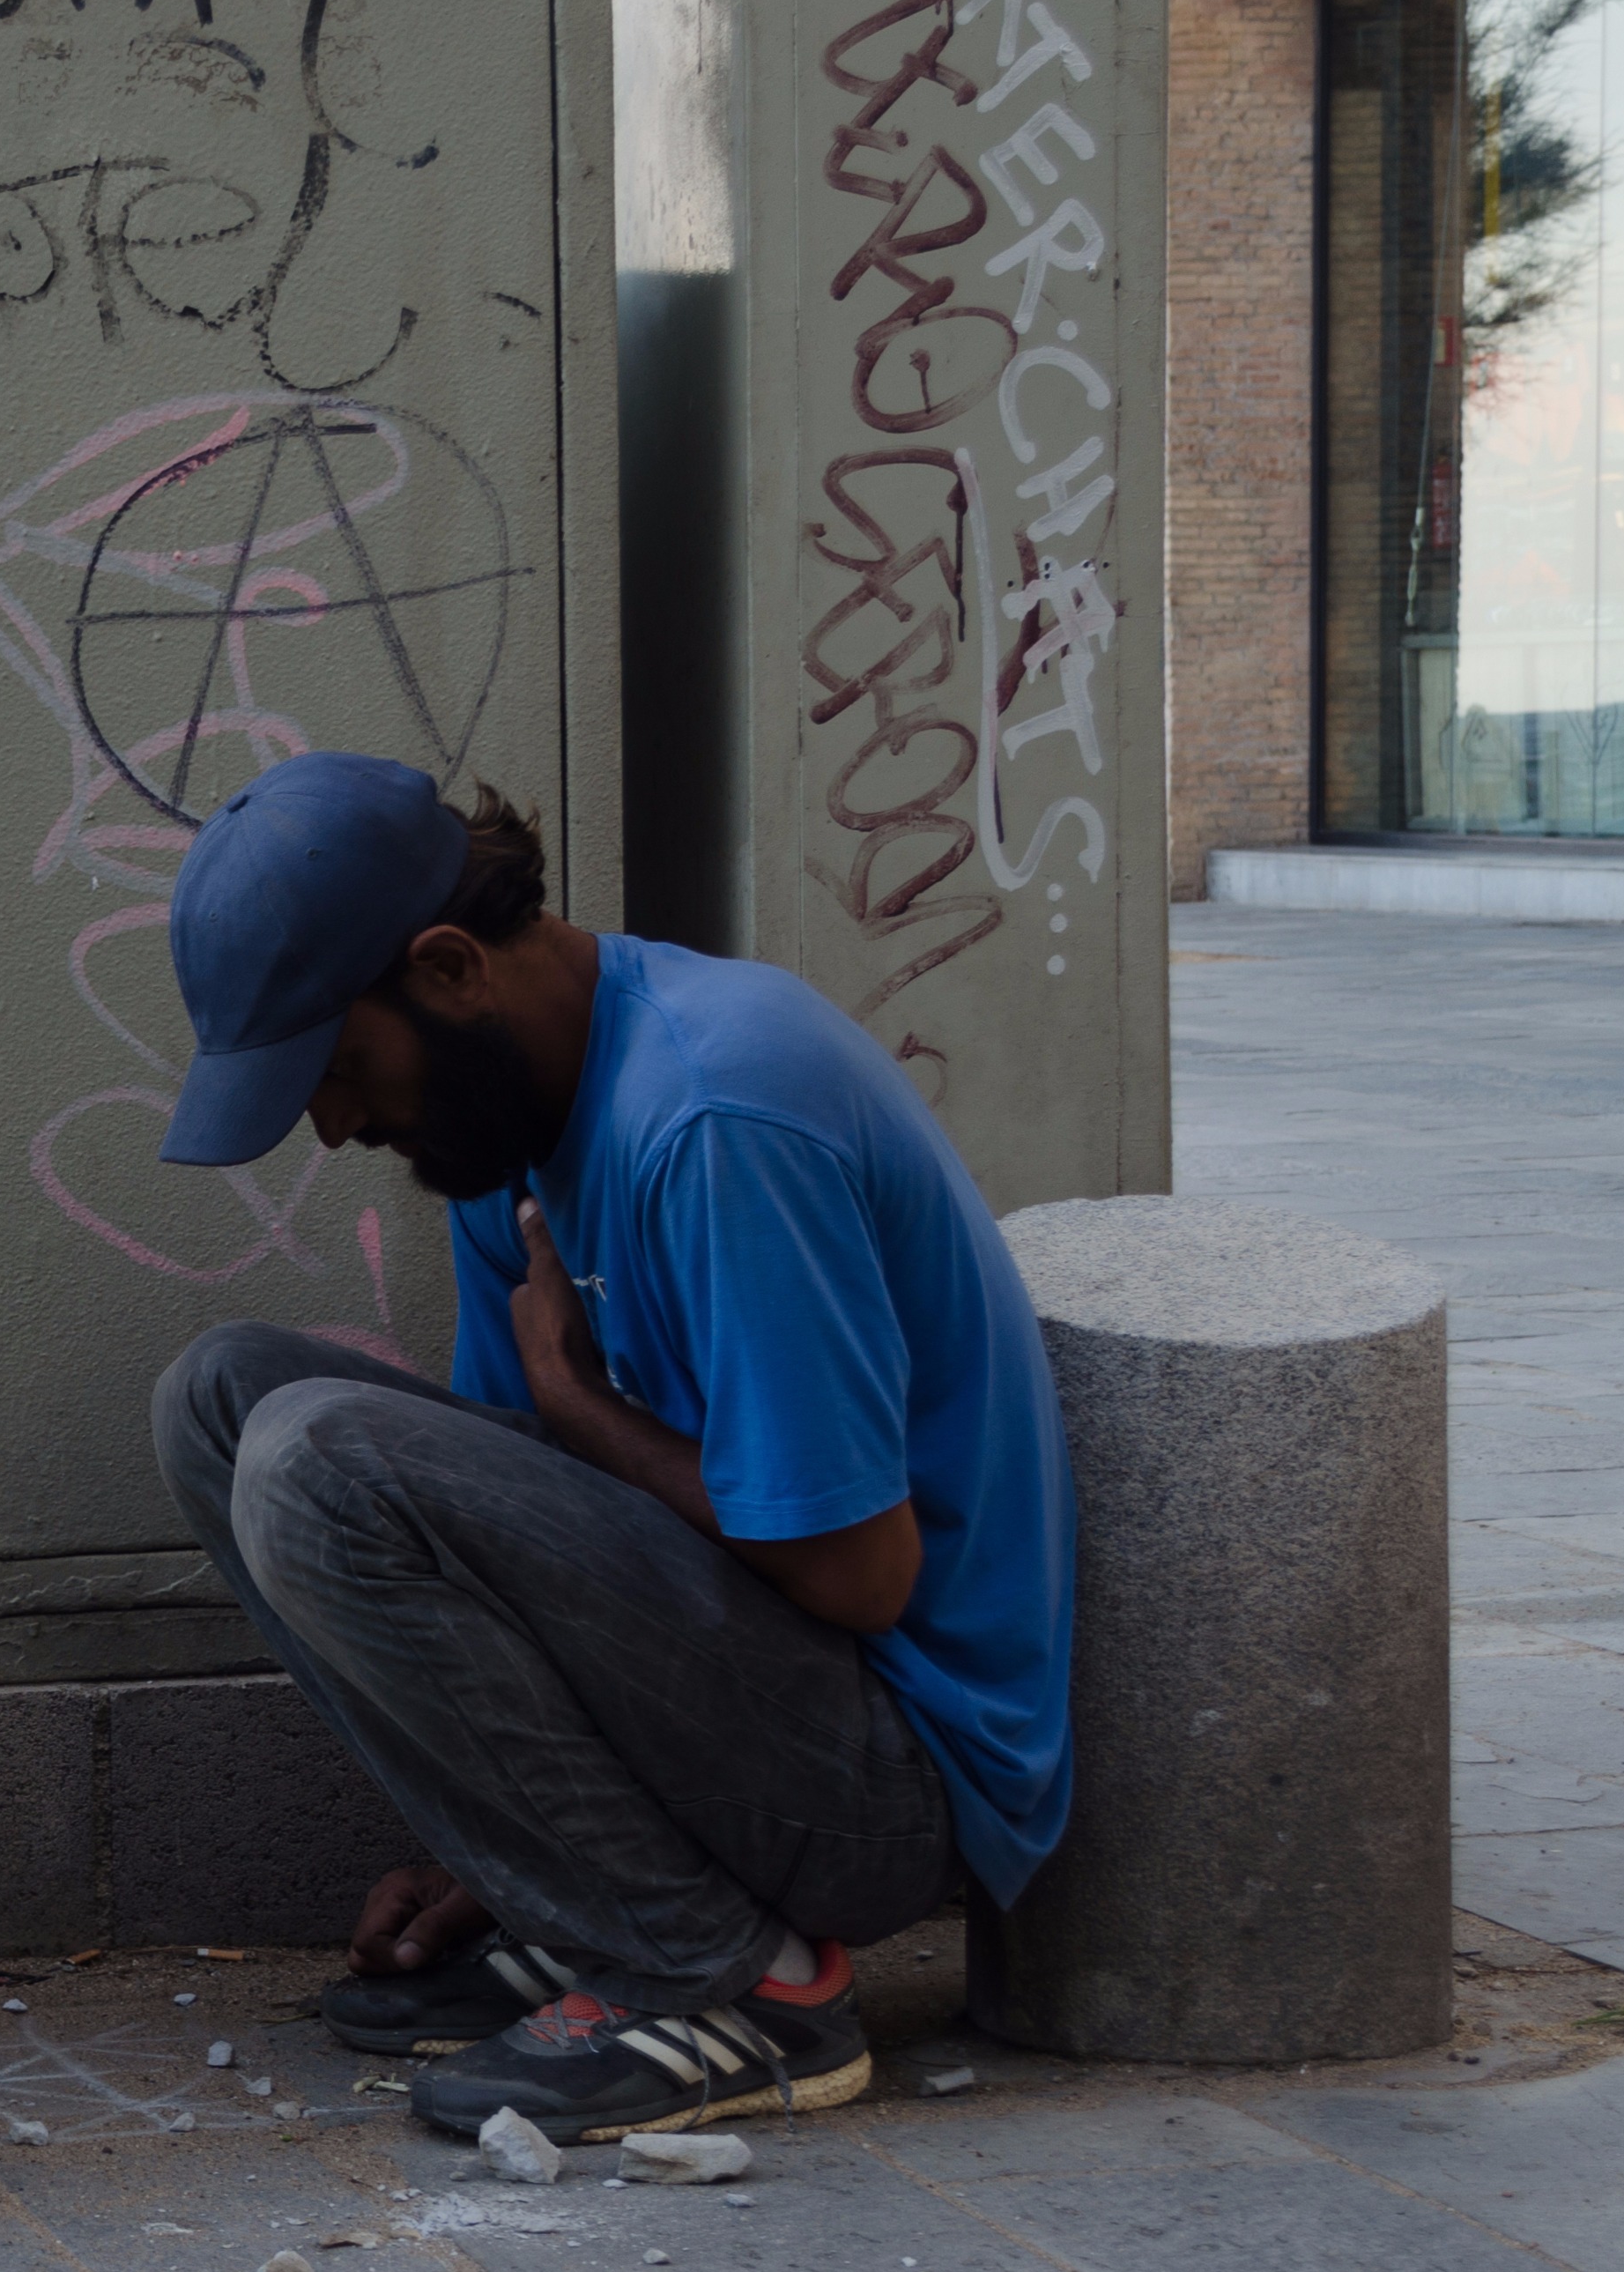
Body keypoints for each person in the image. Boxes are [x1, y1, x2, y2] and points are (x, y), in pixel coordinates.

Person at [145, 754, 1073, 2143]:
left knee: (313, 1456)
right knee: (218, 1397)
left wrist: (582, 1410)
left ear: (448, 967)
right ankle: (598, 1916)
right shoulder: (507, 1126)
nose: (333, 1126)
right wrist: (507, 1855)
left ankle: (733, 1982)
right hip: (741, 1714)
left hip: (895, 1774)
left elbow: (860, 1575)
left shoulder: (714, 1114)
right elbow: (511, 1565)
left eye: (338, 1068)